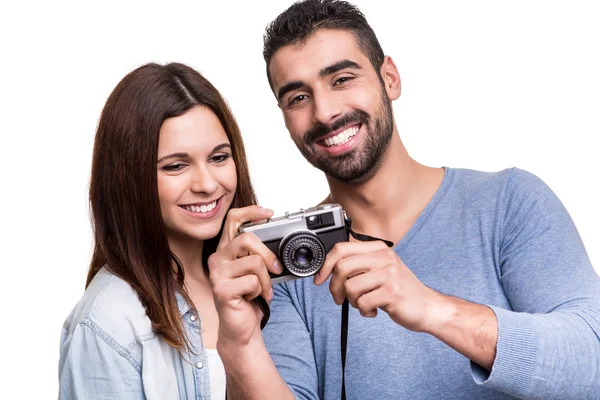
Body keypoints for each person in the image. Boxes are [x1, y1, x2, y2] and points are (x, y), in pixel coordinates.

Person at [208, 1, 600, 399]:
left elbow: (592, 360)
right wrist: (239, 345)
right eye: (297, 98)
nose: (324, 113)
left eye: (342, 79)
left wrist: (432, 309)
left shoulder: (509, 202)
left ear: (389, 78)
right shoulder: (293, 265)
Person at [58, 62, 280, 399]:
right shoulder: (110, 321)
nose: (207, 184)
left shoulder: (260, 282)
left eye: (219, 158)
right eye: (176, 166)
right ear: (130, 178)